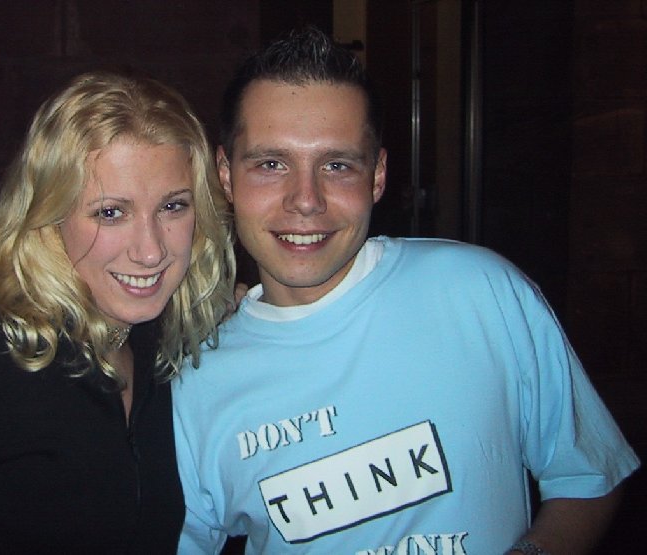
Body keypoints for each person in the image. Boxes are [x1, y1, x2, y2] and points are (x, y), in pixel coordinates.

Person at [171, 27, 640, 555]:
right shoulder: (196, 385)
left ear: (377, 175)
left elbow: (589, 476)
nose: (306, 200)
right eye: (271, 164)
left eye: (337, 165)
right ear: (226, 175)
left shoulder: (480, 294)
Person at [0, 71, 234, 553]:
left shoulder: (163, 349)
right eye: (110, 212)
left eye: (173, 207)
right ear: (50, 216)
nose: (151, 250)